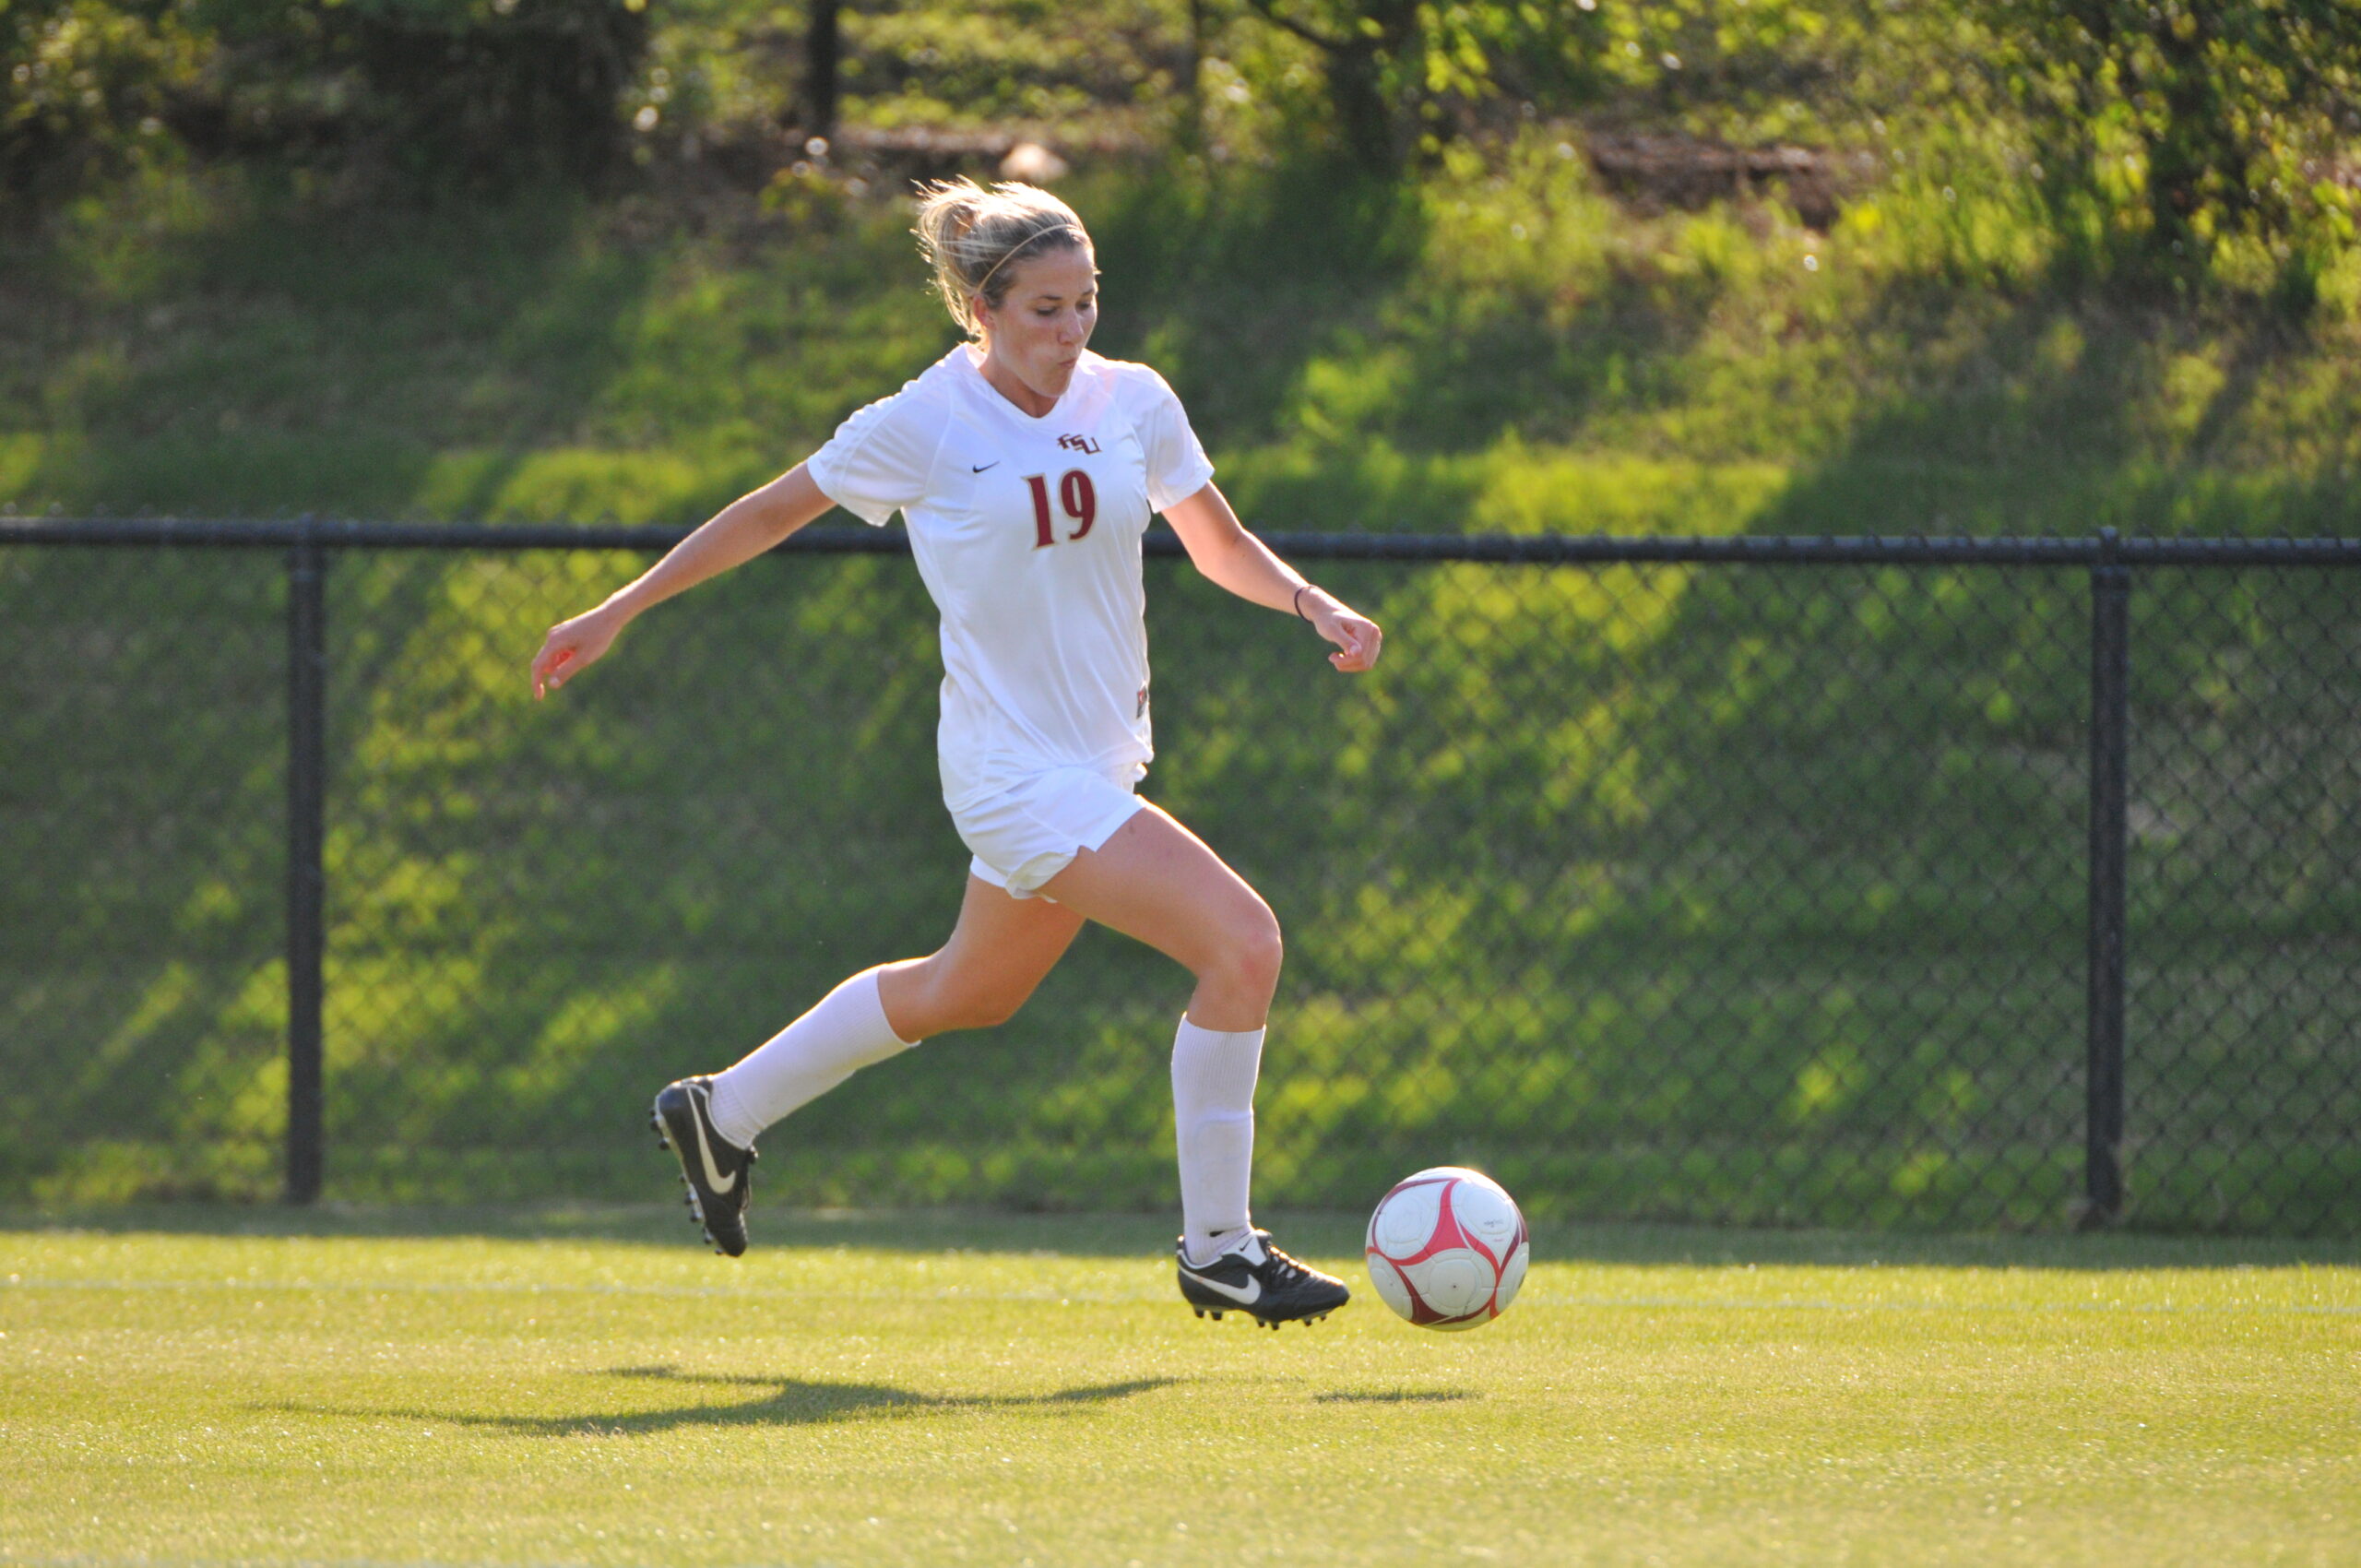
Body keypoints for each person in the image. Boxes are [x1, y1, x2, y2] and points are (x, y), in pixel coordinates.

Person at [528, 177, 1382, 1328]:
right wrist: (619, 608)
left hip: (1095, 762)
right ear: (982, 308)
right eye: (1044, 309)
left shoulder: (1133, 398)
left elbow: (1216, 541)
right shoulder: (926, 421)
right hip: (1011, 775)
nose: (1072, 330)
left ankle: (722, 1111)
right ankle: (1220, 1248)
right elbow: (768, 512)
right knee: (1244, 941)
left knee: (965, 991)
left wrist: (1312, 602)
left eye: (1086, 302)